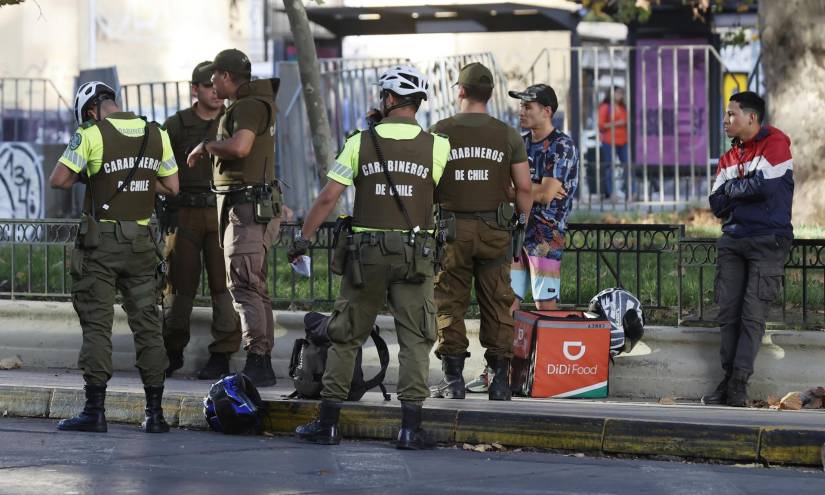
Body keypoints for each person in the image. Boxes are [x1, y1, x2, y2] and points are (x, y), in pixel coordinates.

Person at [288, 65, 450, 449]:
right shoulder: (437, 146)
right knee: (415, 340)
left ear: (390, 100)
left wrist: (303, 237)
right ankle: (411, 428)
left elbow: (329, 196)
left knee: (346, 337)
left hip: (366, 258)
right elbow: (439, 198)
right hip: (416, 255)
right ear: (416, 103)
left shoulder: (360, 142)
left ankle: (328, 424)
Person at [49, 81, 180, 433]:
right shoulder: (156, 132)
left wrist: (95, 175)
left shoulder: (91, 135)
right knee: (149, 326)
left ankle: (95, 412)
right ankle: (155, 414)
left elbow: (59, 179)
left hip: (101, 244)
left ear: (90, 111)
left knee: (97, 326)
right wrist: (137, 179)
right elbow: (172, 186)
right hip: (141, 242)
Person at [428, 62, 532, 402]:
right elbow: (525, 188)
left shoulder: (440, 131)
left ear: (461, 91)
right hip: (495, 231)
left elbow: (426, 180)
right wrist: (522, 221)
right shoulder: (507, 134)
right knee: (499, 302)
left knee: (449, 301)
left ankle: (453, 379)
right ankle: (500, 381)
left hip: (452, 231)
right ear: (489, 94)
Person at [186, 48, 281, 387]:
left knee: (242, 284)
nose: (212, 85)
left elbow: (241, 147)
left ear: (226, 76)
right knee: (253, 284)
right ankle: (262, 360)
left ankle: (258, 360)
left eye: (214, 79)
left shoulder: (248, 107)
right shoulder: (249, 104)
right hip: (247, 206)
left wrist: (206, 147)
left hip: (246, 208)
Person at [704, 91, 793, 407]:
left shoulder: (776, 143)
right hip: (733, 240)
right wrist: (738, 189)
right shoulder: (729, 156)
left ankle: (738, 385)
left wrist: (732, 188)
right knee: (728, 314)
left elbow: (765, 186)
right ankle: (728, 380)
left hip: (768, 240)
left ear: (751, 117)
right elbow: (715, 203)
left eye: (731, 115)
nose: (725, 121)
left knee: (752, 316)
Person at [161, 61, 241, 380]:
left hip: (222, 211)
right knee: (179, 288)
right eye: (209, 86)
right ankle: (172, 351)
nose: (216, 91)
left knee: (224, 288)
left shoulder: (233, 122)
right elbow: (159, 166)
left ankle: (222, 354)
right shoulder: (176, 125)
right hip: (184, 214)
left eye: (219, 85)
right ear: (195, 89)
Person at [508, 84, 579, 312]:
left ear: (547, 111)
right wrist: (534, 190)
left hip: (546, 236)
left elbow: (546, 194)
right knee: (508, 299)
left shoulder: (562, 146)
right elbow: (506, 187)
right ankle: (506, 348)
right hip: (516, 229)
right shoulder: (519, 143)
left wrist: (520, 188)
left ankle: (549, 349)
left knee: (545, 304)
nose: (521, 112)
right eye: (521, 106)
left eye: (528, 107)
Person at [597, 86, 628, 200]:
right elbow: (601, 125)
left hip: (623, 141)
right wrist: (617, 123)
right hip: (609, 141)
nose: (620, 95)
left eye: (621, 93)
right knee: (609, 167)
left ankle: (630, 192)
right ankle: (610, 193)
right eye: (618, 93)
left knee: (627, 166)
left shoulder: (622, 107)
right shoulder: (605, 107)